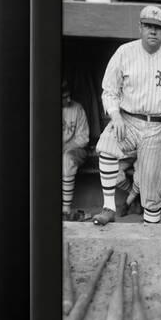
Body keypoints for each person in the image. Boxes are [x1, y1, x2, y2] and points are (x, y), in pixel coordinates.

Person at [92, 5, 161, 226]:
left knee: (150, 191)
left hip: (157, 127)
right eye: (148, 26)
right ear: (140, 27)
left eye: (158, 27)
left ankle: (150, 234)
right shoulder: (124, 52)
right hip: (127, 121)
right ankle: (108, 207)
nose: (153, 31)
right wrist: (115, 115)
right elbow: (109, 90)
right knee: (107, 146)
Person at [62, 82, 90, 221]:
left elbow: (84, 138)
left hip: (74, 150)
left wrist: (65, 148)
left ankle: (65, 211)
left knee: (66, 160)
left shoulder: (77, 108)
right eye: (64, 97)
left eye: (69, 96)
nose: (68, 100)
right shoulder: (44, 106)